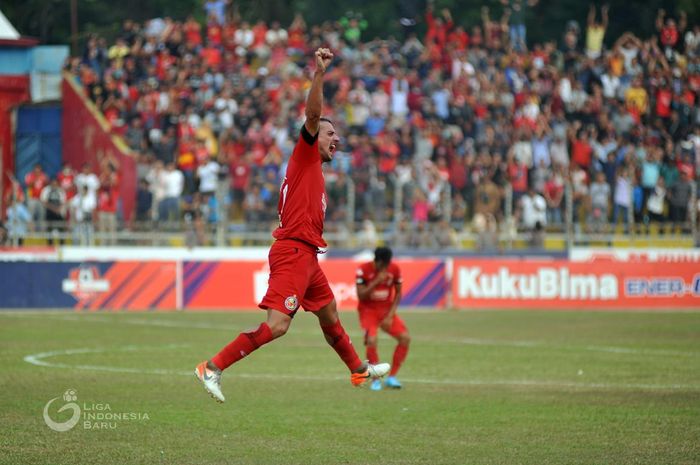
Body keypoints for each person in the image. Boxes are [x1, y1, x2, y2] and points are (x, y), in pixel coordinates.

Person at [194, 48, 390, 403]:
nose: (337, 140)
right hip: (292, 252)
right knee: (277, 326)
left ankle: (358, 371)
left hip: (308, 256)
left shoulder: (314, 174)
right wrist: (319, 73)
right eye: (331, 133)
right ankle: (213, 366)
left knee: (329, 313)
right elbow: (313, 115)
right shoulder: (304, 155)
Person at [355, 247, 411, 390]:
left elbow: (398, 293)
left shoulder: (394, 269)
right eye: (383, 265)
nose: (386, 267)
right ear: (376, 261)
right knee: (371, 340)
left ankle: (392, 377)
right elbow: (361, 296)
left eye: (387, 264)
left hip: (386, 311)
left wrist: (390, 316)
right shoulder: (363, 269)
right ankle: (375, 379)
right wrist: (375, 282)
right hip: (368, 311)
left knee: (405, 338)